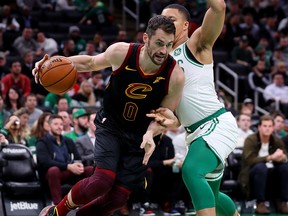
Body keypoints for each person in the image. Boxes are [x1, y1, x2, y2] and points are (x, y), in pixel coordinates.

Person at [34, 14, 184, 216]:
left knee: (118, 198)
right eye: (159, 43)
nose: (163, 51)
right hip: (112, 124)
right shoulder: (122, 52)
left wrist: (151, 133)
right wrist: (50, 64)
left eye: (168, 44)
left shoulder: (175, 75)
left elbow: (163, 116)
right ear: (146, 38)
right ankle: (56, 212)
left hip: (141, 136)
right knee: (102, 181)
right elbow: (89, 63)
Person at [148, 2, 239, 216]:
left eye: (171, 20)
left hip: (215, 124)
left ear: (186, 25)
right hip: (195, 133)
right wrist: (169, 122)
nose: (165, 24)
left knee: (190, 170)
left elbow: (218, 8)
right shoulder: (161, 62)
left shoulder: (196, 45)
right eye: (162, 20)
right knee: (213, 197)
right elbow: (179, 113)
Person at [36, 114, 93, 205]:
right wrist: (68, 166)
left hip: (70, 172)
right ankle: (57, 205)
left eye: (61, 124)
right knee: (53, 170)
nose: (59, 127)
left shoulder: (68, 140)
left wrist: (79, 165)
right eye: (56, 124)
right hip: (53, 174)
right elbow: (45, 162)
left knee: (89, 170)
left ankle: (90, 204)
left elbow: (78, 158)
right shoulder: (42, 142)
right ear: (49, 125)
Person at [238, 115, 288, 214]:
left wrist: (283, 157)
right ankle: (260, 203)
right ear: (259, 127)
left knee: (285, 168)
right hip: (251, 174)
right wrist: (270, 157)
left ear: (273, 128)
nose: (267, 128)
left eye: (270, 126)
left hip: (271, 174)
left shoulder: (276, 140)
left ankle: (283, 202)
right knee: (261, 167)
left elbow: (285, 154)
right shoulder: (250, 139)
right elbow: (249, 160)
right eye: (265, 126)